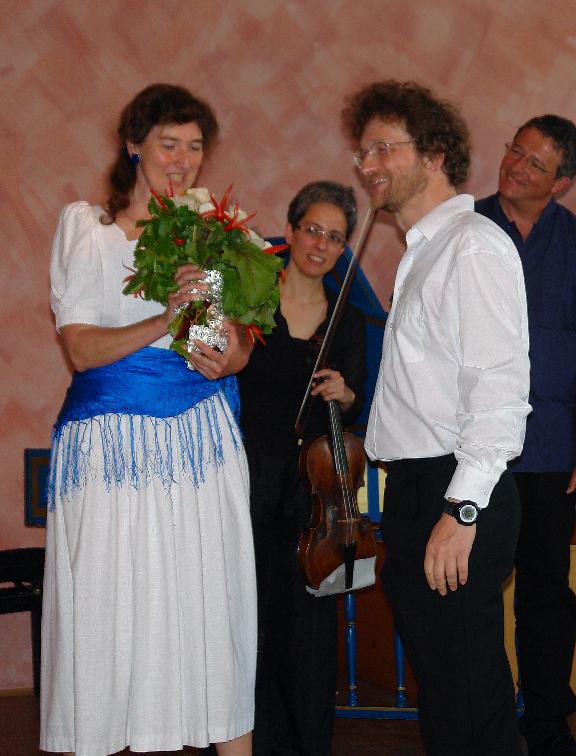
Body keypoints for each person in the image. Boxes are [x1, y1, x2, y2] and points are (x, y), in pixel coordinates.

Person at [42, 84, 256, 755]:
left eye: (195, 147)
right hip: (111, 446)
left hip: (199, 442)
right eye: (169, 144)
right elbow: (81, 349)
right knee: (111, 613)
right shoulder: (89, 228)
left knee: (210, 607)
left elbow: (220, 352)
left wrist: (228, 352)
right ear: (133, 145)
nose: (182, 160)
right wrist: (165, 316)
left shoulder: (207, 234)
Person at [343, 80, 531, 756]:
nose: (368, 166)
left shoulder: (471, 246)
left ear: (434, 154)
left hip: (455, 490)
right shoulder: (426, 249)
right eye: (362, 153)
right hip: (419, 489)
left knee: (471, 700)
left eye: (382, 149)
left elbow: (498, 391)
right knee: (448, 698)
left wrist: (461, 510)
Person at [474, 114, 576, 756]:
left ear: (561, 182)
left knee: (546, 591)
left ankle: (547, 722)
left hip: (551, 447)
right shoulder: (461, 229)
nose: (516, 166)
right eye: (515, 151)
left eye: (536, 163)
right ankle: (482, 723)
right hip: (470, 448)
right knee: (471, 588)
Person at [237, 181, 367, 755]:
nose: (321, 245)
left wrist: (346, 394)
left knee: (309, 628)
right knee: (250, 621)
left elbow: (357, 405)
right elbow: (202, 361)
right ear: (289, 231)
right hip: (246, 482)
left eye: (335, 238)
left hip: (313, 498)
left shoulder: (349, 322)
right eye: (312, 230)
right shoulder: (248, 300)